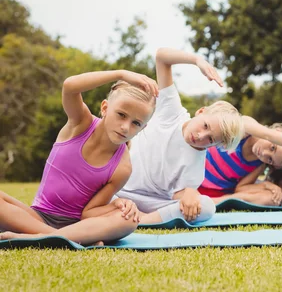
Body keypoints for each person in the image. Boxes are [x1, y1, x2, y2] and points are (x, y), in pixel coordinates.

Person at [0, 70, 157, 245]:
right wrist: (119, 74)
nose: (125, 127)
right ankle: (58, 238)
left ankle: (45, 237)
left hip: (79, 226)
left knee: (129, 220)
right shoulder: (81, 123)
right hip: (37, 217)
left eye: (136, 123)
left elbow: (89, 213)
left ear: (143, 128)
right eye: (121, 115)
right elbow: (70, 86)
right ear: (105, 108)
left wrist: (118, 204)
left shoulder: (123, 167)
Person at [116, 48, 245, 224]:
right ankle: (128, 215)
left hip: (152, 202)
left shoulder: (196, 167)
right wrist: (198, 60)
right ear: (201, 112)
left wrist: (190, 193)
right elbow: (161, 57)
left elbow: (177, 195)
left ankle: (143, 221)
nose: (201, 136)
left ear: (215, 145)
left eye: (210, 139)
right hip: (119, 189)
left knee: (207, 207)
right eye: (205, 125)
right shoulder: (172, 112)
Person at [198, 120, 282, 206]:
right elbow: (266, 133)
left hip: (212, 192)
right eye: (273, 147)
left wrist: (267, 185)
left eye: (270, 159)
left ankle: (220, 202)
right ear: (277, 132)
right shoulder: (247, 130)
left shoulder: (259, 164)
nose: (264, 154)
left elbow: (240, 188)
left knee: (273, 199)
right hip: (191, 174)